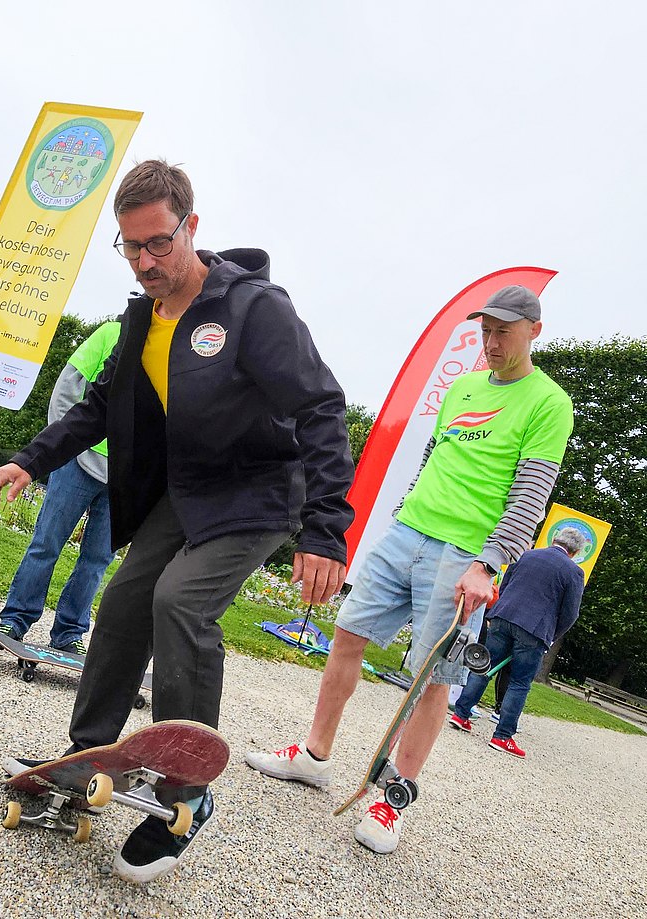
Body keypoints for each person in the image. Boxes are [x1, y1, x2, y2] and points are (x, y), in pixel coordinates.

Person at [0, 160, 354, 883]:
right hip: (186, 495)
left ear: (192, 226)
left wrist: (325, 528)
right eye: (131, 246)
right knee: (123, 602)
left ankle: (189, 791)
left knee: (178, 601)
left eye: (159, 242)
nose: (146, 261)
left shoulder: (254, 309)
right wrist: (32, 459)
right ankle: (85, 753)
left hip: (256, 496)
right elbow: (98, 406)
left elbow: (320, 407)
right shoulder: (140, 318)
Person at [247, 285, 574, 854]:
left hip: (463, 555)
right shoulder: (464, 387)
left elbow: (531, 494)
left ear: (533, 331)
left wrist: (488, 564)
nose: (491, 342)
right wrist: (402, 516)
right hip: (408, 533)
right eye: (485, 330)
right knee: (347, 634)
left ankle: (391, 800)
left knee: (433, 678)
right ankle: (316, 755)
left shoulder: (549, 402)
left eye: (504, 331)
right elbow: (434, 461)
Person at [0, 320, 121, 655]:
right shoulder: (111, 333)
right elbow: (66, 391)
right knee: (46, 543)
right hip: (77, 460)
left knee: (97, 560)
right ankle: (15, 620)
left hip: (124, 474)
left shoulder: (174, 347)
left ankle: (69, 634)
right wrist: (62, 446)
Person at [448, 527, 586, 756]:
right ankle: (502, 736)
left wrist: (501, 611)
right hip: (534, 630)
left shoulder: (526, 554)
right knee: (520, 683)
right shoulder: (574, 572)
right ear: (576, 551)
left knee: (484, 667)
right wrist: (551, 635)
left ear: (554, 540)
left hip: (503, 617)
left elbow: (505, 585)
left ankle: (461, 714)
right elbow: (571, 613)